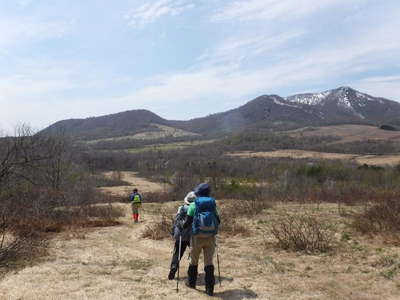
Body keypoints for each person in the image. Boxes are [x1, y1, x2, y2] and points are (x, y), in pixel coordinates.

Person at [183, 183, 220, 296]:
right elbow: (218, 221)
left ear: (197, 193)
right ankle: (210, 289)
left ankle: (191, 283)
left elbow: (187, 223)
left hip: (196, 237)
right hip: (210, 237)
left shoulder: (193, 205)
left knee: (193, 261)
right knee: (209, 263)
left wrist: (182, 225)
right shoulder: (213, 205)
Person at [168, 191, 196, 280]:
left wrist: (173, 232)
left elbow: (176, 220)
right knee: (194, 254)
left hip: (181, 234)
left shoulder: (181, 208)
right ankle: (191, 272)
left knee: (177, 253)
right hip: (192, 235)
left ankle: (174, 267)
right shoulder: (196, 208)